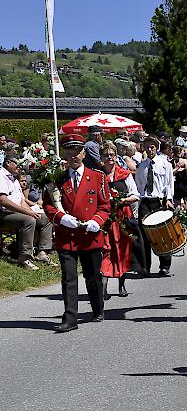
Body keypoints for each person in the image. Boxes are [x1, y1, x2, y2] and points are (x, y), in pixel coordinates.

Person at [43, 134, 111, 332]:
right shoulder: (56, 179)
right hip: (67, 236)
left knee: (93, 277)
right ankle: (70, 318)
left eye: (77, 151)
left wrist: (96, 222)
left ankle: (98, 308)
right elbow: (48, 206)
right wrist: (61, 218)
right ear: (65, 154)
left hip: (89, 235)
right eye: (69, 151)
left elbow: (105, 206)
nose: (73, 155)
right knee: (69, 277)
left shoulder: (98, 177)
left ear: (84, 152)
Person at [98, 142, 140, 299]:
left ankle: (121, 284)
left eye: (112, 155)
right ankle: (103, 287)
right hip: (104, 219)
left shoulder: (125, 174)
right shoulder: (98, 175)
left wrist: (122, 200)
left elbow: (136, 195)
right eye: (106, 155)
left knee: (122, 250)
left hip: (122, 218)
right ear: (101, 158)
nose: (110, 157)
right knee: (105, 250)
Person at [0, 154, 53, 269]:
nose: (19, 167)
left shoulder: (14, 178)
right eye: (17, 164)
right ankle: (24, 257)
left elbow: (21, 200)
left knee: (45, 218)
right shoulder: (1, 176)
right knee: (29, 220)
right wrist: (29, 214)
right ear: (8, 163)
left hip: (15, 213)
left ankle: (42, 252)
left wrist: (31, 212)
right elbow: (3, 200)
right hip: (4, 214)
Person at [135, 136, 175, 277]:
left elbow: (169, 184)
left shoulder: (165, 164)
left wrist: (168, 199)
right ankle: (145, 267)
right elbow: (139, 185)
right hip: (146, 201)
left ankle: (164, 265)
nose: (150, 149)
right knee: (144, 234)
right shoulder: (141, 166)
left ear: (156, 148)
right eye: (147, 147)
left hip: (159, 200)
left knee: (161, 234)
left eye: (152, 147)